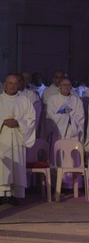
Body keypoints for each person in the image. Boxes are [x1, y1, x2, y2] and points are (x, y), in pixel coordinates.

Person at [0, 75, 36, 205]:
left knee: (16, 165)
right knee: (2, 168)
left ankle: (14, 195)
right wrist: (3, 121)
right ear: (5, 84)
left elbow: (31, 119)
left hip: (18, 138)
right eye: (10, 83)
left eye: (15, 83)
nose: (12, 86)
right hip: (2, 139)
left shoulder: (24, 100)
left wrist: (19, 122)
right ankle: (1, 194)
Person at [46, 78, 84, 164]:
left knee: (72, 161)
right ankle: (58, 177)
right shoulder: (52, 99)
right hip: (58, 134)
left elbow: (80, 117)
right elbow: (50, 117)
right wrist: (67, 115)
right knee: (59, 160)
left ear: (71, 87)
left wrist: (69, 117)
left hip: (72, 133)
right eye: (64, 85)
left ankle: (73, 176)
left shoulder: (77, 100)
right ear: (59, 87)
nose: (67, 87)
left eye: (69, 85)